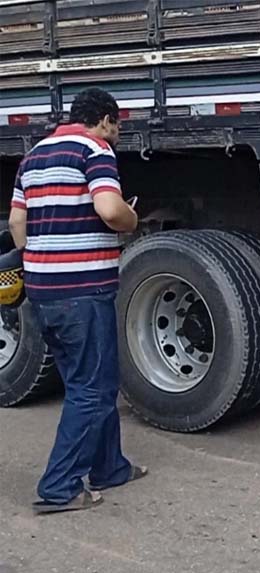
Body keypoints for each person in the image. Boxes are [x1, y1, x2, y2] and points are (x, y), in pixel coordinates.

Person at [7, 88, 147, 513]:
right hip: (83, 291)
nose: (118, 134)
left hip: (45, 290)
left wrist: (41, 259)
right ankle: (60, 487)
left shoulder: (33, 157)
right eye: (118, 125)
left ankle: (110, 467)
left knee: (86, 381)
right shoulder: (94, 150)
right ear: (105, 120)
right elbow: (108, 208)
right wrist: (131, 217)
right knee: (94, 388)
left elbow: (18, 220)